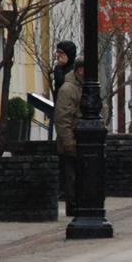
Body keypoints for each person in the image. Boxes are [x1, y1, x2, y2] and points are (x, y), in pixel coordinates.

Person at [54, 58, 83, 216]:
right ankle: (73, 206)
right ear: (79, 70)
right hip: (72, 140)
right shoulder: (68, 89)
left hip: (83, 140)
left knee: (79, 175)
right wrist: (68, 142)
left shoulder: (84, 87)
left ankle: (80, 204)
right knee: (71, 176)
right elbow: (62, 117)